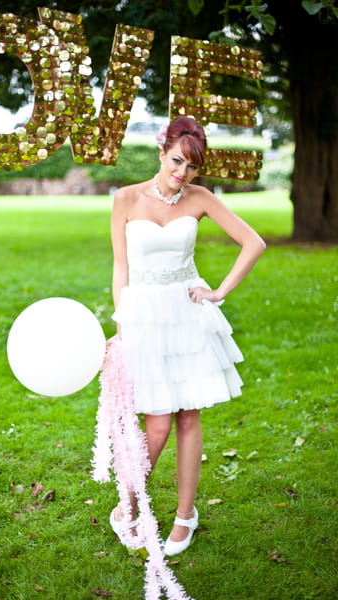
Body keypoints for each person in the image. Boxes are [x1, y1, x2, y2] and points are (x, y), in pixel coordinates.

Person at [108, 116, 266, 556]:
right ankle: (130, 501)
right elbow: (121, 268)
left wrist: (218, 292)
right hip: (142, 317)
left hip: (186, 312)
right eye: (177, 161)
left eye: (192, 167)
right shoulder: (125, 199)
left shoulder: (199, 198)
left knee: (188, 416)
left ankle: (184, 515)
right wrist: (123, 324)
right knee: (155, 423)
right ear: (161, 153)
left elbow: (253, 242)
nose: (182, 173)